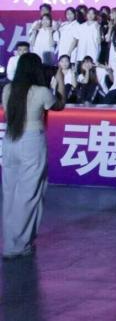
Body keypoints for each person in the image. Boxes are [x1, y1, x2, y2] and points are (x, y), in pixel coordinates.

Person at [2, 53, 65, 259]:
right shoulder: (41, 92)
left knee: (10, 192)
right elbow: (59, 105)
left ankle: (11, 241)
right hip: (31, 141)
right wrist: (60, 80)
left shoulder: (8, 89)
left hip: (10, 140)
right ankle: (18, 245)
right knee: (29, 194)